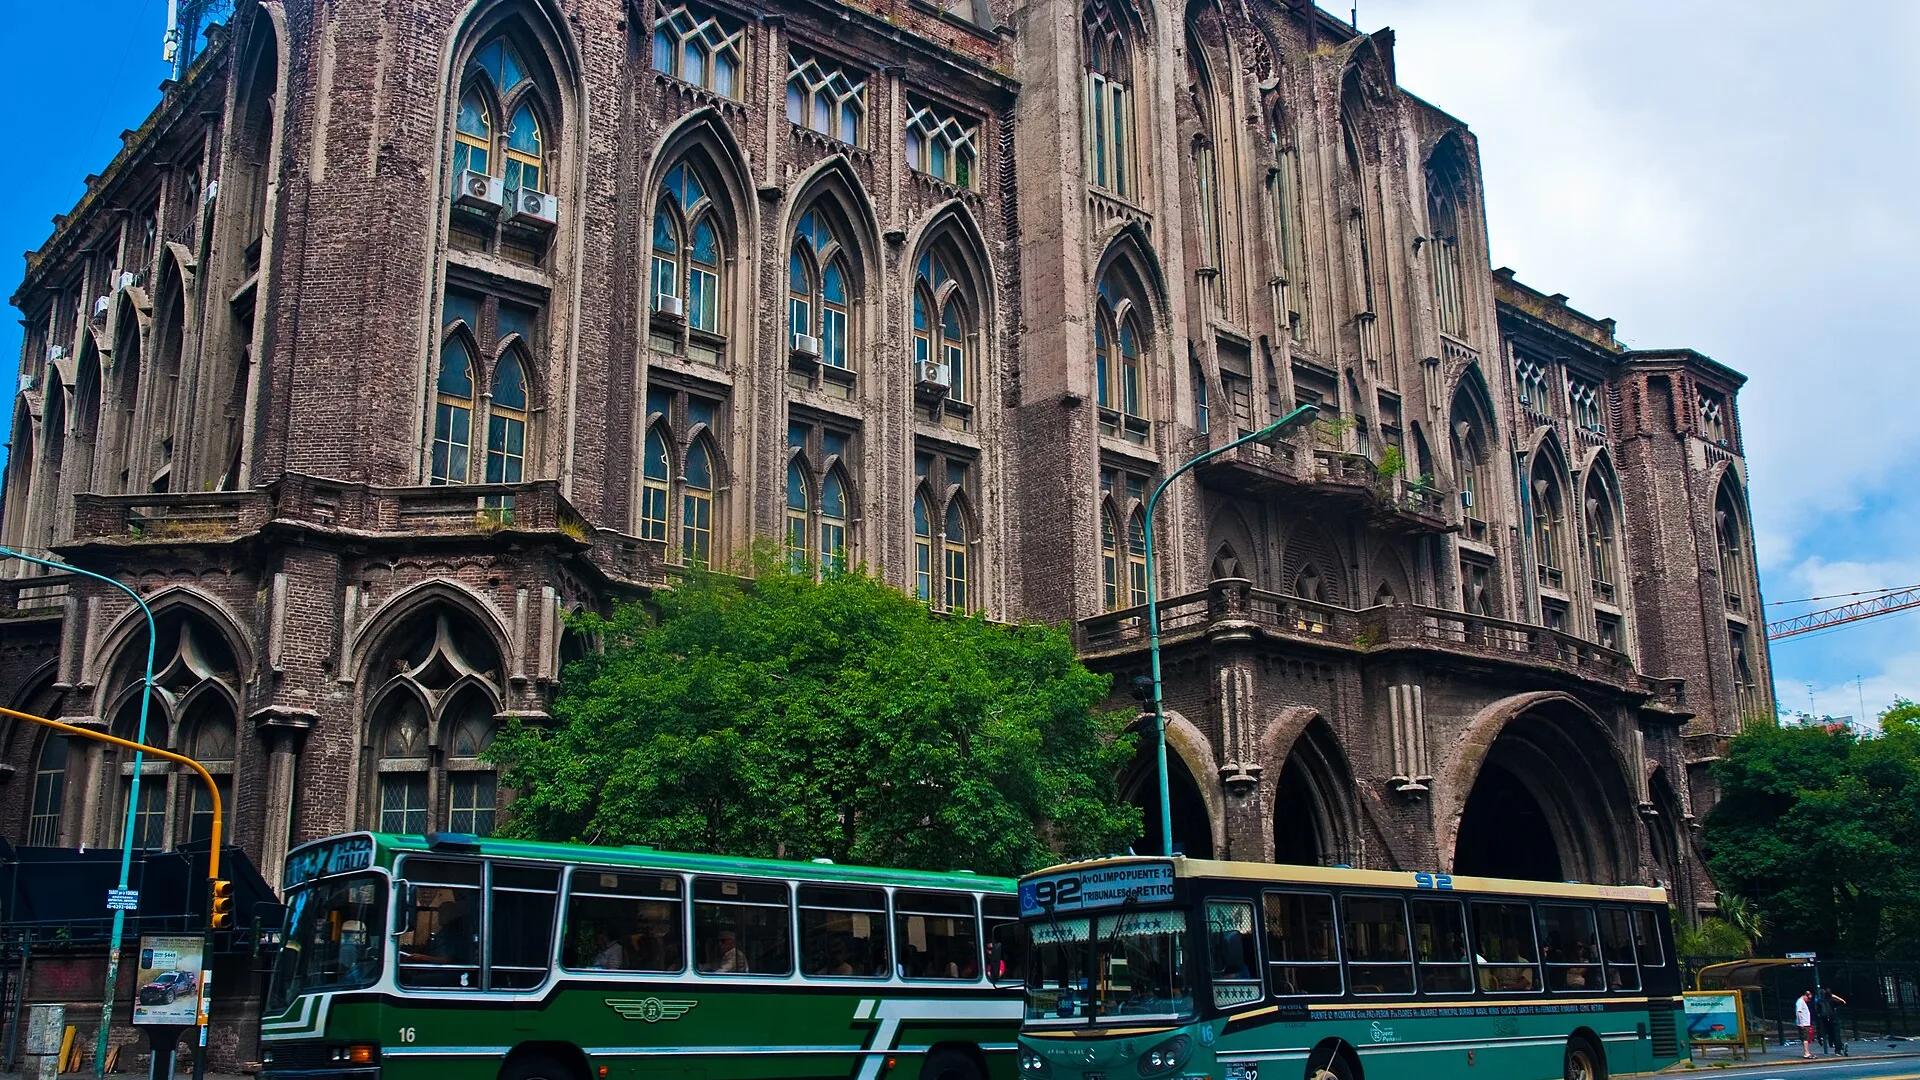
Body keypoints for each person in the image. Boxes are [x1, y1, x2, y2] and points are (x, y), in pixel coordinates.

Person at [1815, 987, 1848, 1056]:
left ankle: (1833, 1044)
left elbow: (1817, 1011)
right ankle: (1838, 1050)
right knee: (1836, 1034)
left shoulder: (1819, 1001)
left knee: (1830, 1033)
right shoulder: (1832, 1000)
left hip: (1825, 1020)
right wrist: (1834, 996)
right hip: (1833, 1018)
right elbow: (1843, 1002)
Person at [1795, 989, 1815, 1059]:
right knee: (1805, 1038)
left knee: (1806, 1038)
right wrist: (1801, 1023)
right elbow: (1799, 1012)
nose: (1809, 1000)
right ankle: (1806, 1053)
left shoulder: (1802, 1001)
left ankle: (1807, 1052)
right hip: (1803, 1023)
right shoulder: (1800, 1002)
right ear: (1805, 996)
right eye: (1808, 998)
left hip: (1805, 1023)